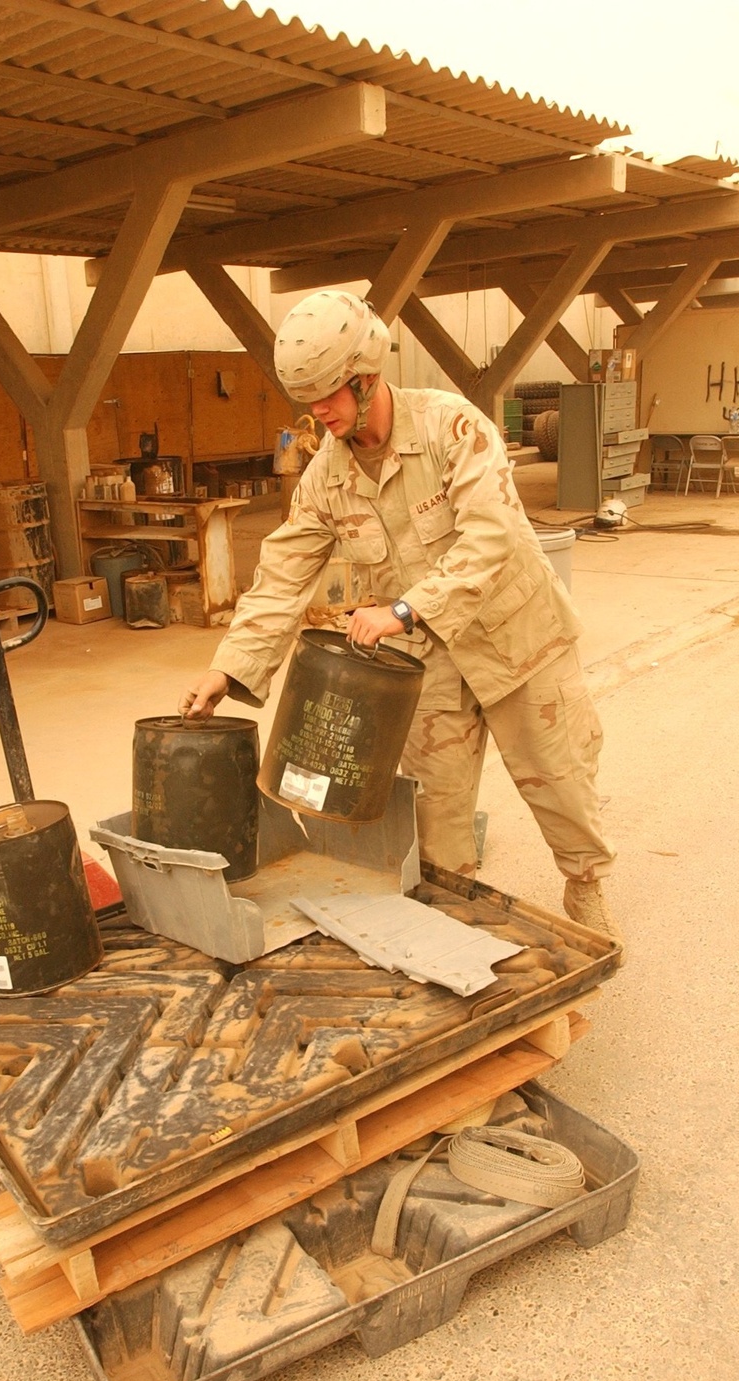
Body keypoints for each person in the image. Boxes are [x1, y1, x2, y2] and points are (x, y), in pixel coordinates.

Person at [180, 289, 620, 942]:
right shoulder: (325, 479)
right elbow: (281, 580)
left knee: (562, 786)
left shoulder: (453, 428)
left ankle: (585, 887)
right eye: (309, 399)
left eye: (330, 394)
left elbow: (491, 538)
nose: (319, 412)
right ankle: (457, 930)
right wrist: (227, 669)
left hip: (519, 643)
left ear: (366, 376)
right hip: (430, 665)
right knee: (433, 821)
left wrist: (407, 608)